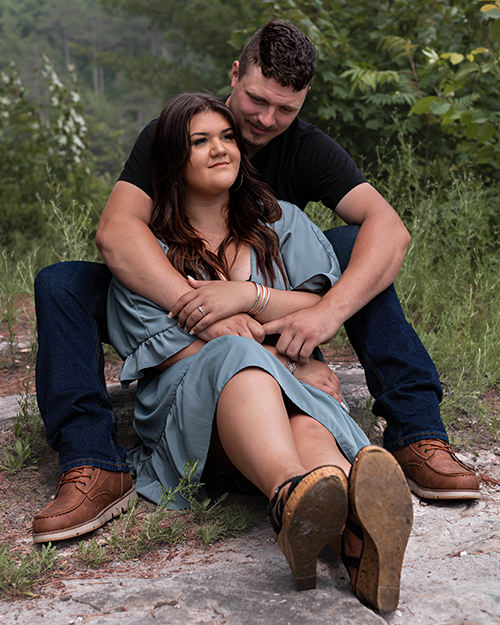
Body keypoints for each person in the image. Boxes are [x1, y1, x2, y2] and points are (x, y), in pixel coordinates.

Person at [32, 20, 479, 545]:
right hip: (169, 285)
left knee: (357, 248)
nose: (267, 120)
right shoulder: (173, 133)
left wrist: (324, 313)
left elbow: (390, 230)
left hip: (274, 288)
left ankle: (416, 433)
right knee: (62, 283)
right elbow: (116, 231)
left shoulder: (304, 157)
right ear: (236, 74)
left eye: (286, 109)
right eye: (257, 101)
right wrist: (202, 307)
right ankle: (93, 462)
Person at [106, 92, 413, 611]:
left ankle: (357, 538)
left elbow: (317, 304)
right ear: (171, 162)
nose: (220, 148)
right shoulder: (148, 254)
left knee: (309, 426)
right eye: (199, 141)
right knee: (238, 361)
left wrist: (249, 300)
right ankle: (288, 493)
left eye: (226, 137)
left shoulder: (279, 221)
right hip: (199, 422)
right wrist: (271, 355)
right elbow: (170, 356)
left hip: (281, 400)